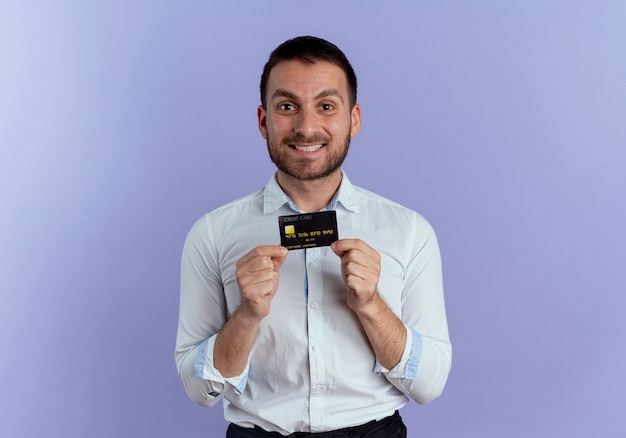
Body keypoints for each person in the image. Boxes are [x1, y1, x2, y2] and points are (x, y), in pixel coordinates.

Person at [175, 36, 452, 437]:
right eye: (287, 106)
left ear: (353, 119)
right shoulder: (212, 234)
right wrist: (247, 315)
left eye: (326, 106)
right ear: (263, 119)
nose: (306, 127)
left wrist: (372, 305)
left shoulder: (409, 232)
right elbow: (199, 390)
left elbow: (429, 386)